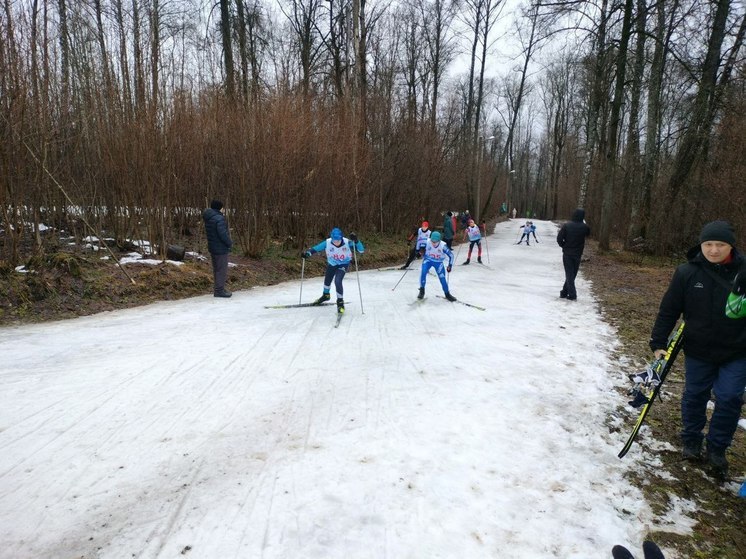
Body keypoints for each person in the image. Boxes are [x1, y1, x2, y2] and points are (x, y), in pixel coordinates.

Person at [649, 220, 746, 479]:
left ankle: (717, 448)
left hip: (736, 351)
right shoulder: (686, 273)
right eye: (708, 244)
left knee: (729, 398)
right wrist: (658, 343)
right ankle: (691, 439)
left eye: (721, 245)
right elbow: (669, 309)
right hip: (698, 349)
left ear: (731, 246)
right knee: (694, 394)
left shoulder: (744, 273)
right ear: (701, 245)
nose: (714, 250)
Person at [302, 228, 364, 314]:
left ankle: (340, 302)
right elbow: (316, 249)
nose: (336, 242)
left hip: (343, 264)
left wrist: (356, 241)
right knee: (327, 279)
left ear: (341, 238)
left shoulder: (347, 242)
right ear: (332, 238)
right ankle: (326, 295)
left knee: (337, 281)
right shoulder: (327, 242)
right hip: (332, 263)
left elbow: (361, 250)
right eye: (334, 240)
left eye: (338, 240)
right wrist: (307, 253)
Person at [556, 208, 590, 300]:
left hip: (567, 253)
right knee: (572, 274)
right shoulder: (585, 227)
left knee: (569, 274)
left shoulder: (567, 226)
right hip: (578, 253)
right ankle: (565, 292)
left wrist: (563, 246)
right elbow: (588, 234)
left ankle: (571, 294)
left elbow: (559, 238)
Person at [202, 199, 233, 298]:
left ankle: (218, 289)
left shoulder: (209, 217)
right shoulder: (219, 218)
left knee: (216, 269)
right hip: (220, 248)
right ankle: (219, 290)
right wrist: (229, 243)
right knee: (221, 269)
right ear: (220, 207)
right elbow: (222, 234)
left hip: (213, 247)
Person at [417, 231, 456, 301]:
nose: (433, 243)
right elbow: (421, 246)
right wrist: (420, 252)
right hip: (428, 260)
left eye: (435, 242)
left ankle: (447, 294)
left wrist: (450, 265)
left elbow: (451, 256)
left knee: (442, 278)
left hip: (438, 262)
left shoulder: (443, 246)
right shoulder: (428, 241)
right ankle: (422, 291)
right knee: (423, 272)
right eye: (432, 241)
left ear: (439, 241)